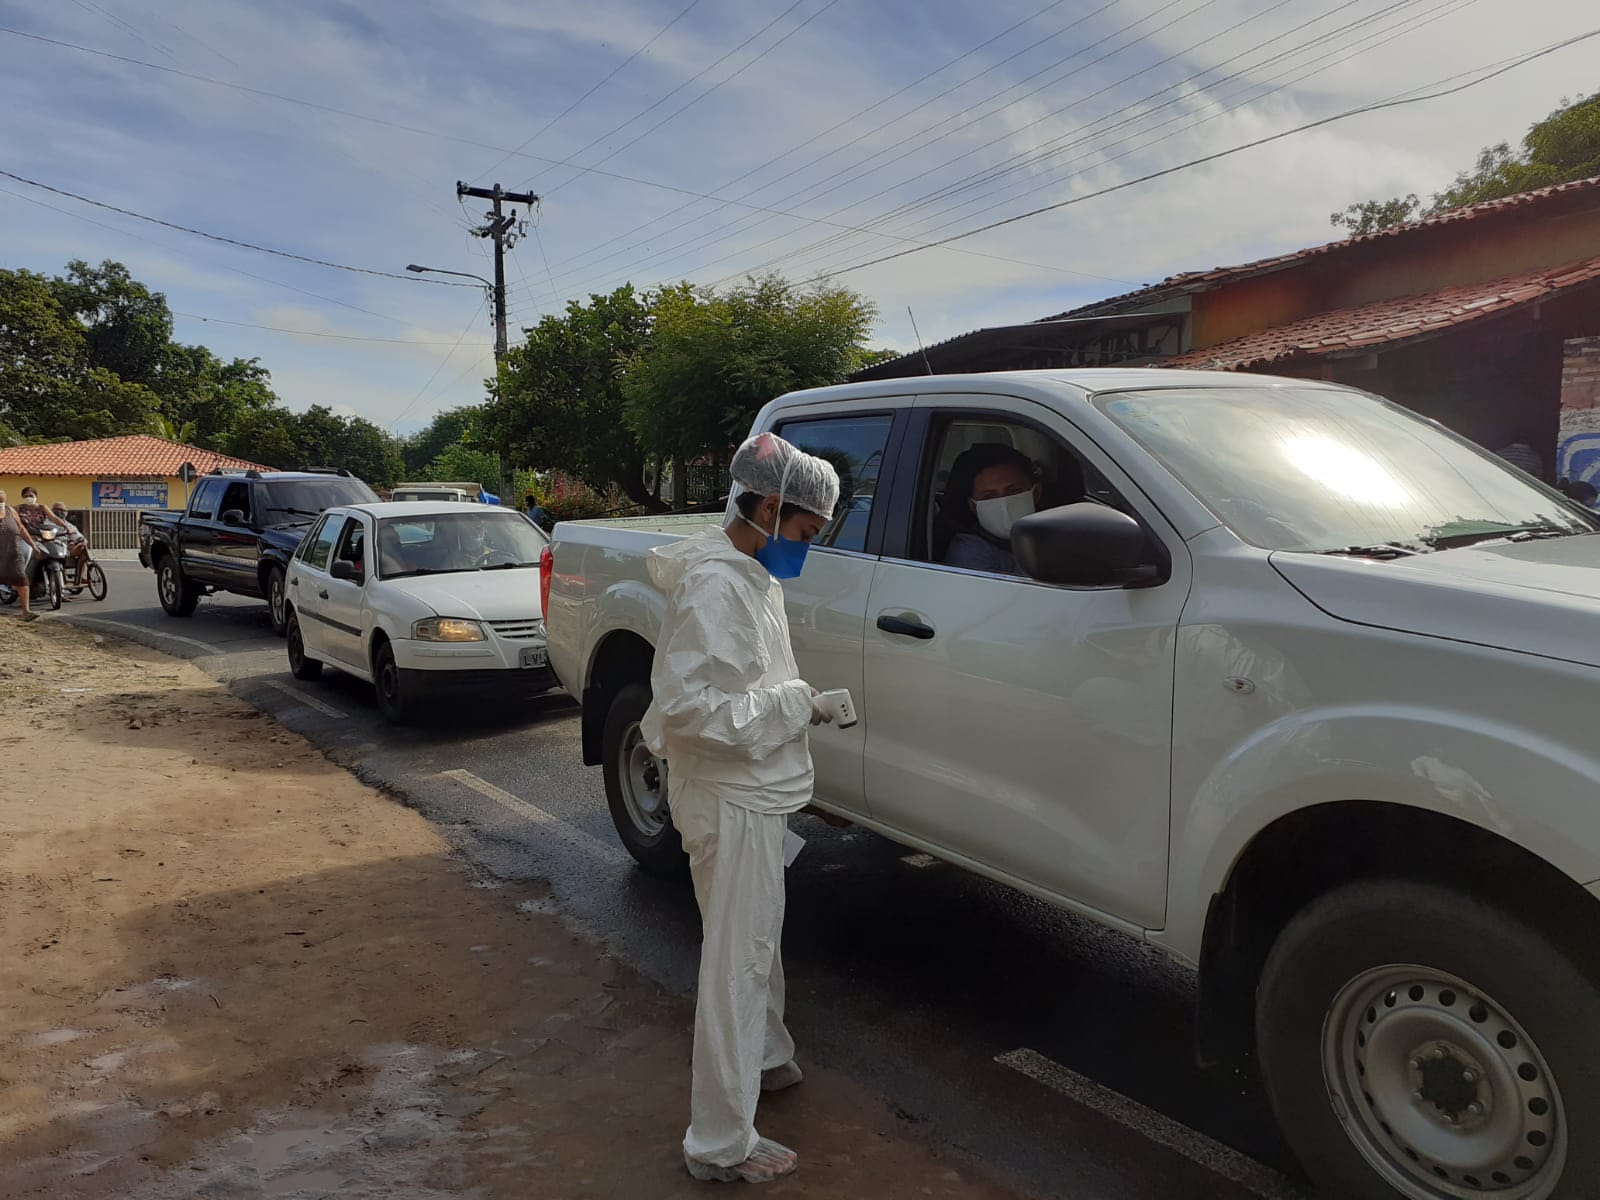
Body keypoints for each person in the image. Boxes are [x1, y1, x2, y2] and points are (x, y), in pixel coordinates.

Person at [641, 431, 840, 1185]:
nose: (804, 549)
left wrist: (801, 704)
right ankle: (721, 1141)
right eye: (803, 532)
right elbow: (690, 711)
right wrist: (797, 705)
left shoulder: (750, 575)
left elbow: (741, 684)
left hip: (743, 791)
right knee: (739, 960)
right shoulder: (718, 588)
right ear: (767, 506)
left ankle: (768, 1055)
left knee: (757, 943)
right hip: (732, 799)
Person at [940, 444, 1043, 576]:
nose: (1003, 503)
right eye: (988, 497)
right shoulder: (970, 551)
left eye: (1013, 491)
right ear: (973, 506)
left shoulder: (1052, 534)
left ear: (1036, 493)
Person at [0, 489, 43, 621]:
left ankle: (26, 611)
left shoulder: (10, 511)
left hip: (14, 552)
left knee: (21, 579)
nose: (1, 501)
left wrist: (33, 545)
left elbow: (21, 528)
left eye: (2, 499)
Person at [50, 502, 90, 588]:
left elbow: (78, 536)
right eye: (58, 510)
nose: (61, 512)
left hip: (68, 550)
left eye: (63, 510)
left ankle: (82, 576)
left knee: (83, 548)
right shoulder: (47, 523)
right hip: (53, 550)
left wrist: (82, 541)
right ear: (52, 510)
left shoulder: (69, 525)